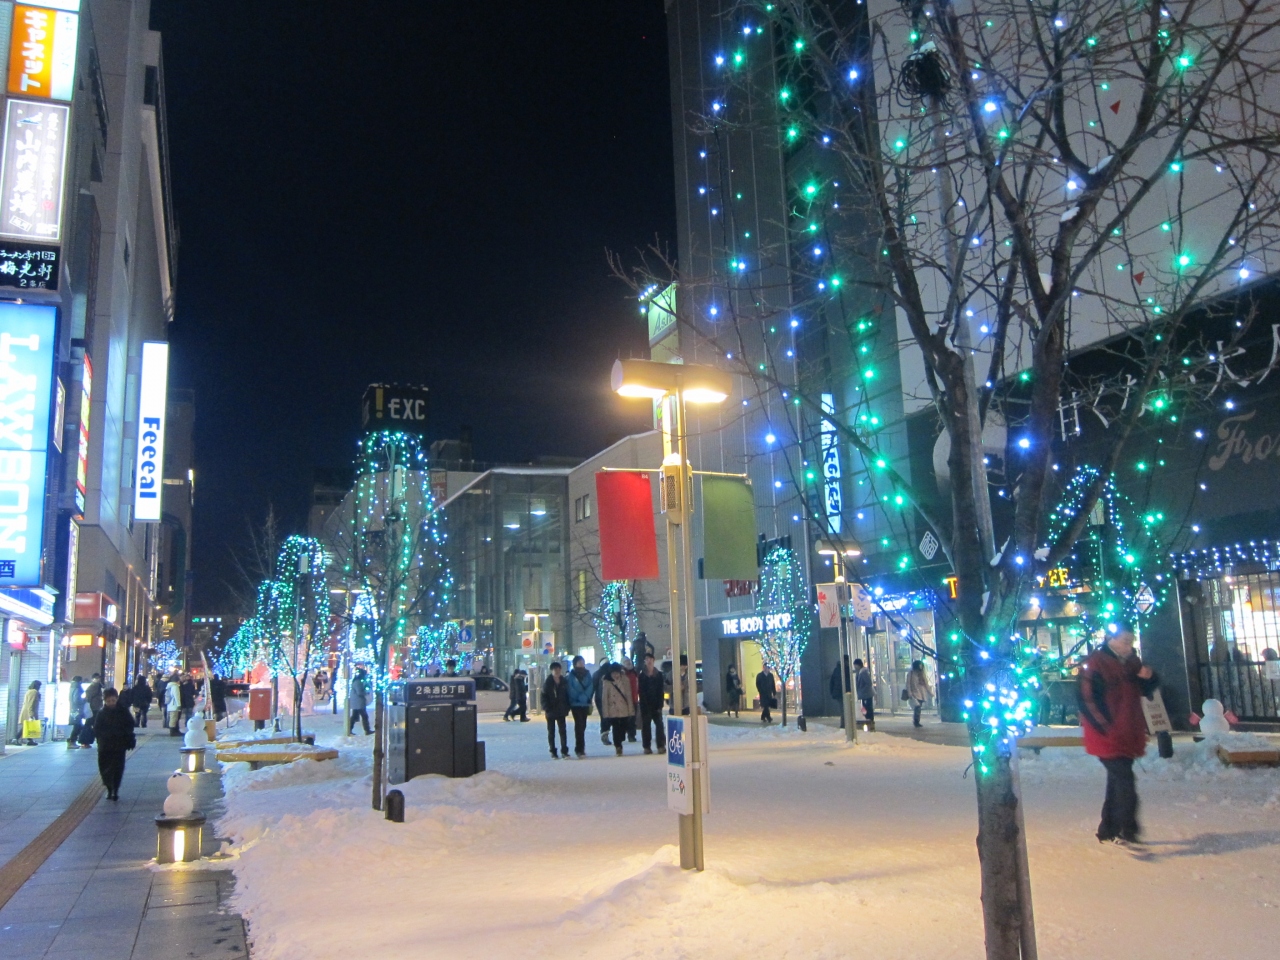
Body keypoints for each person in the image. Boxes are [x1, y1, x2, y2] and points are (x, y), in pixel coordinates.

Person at [1079, 624, 1159, 844]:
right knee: (1125, 781)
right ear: (1110, 639)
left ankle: (1108, 828)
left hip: (1127, 731)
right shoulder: (1095, 664)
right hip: (1107, 735)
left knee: (1117, 781)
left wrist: (1148, 677)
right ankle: (1129, 828)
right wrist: (1106, 728)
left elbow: (1146, 689)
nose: (1128, 646)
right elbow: (1087, 700)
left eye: (1131, 641)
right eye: (1125, 641)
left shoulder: (1132, 661)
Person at [93, 688, 136, 801]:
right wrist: (101, 736)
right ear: (105, 701)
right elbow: (97, 729)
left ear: (117, 699)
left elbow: (131, 724)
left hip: (119, 745)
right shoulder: (101, 713)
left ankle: (115, 789)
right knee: (105, 768)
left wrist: (124, 734)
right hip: (105, 746)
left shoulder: (123, 711)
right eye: (108, 701)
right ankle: (109, 788)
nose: (111, 703)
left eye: (113, 700)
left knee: (118, 768)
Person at [600, 664, 633, 756]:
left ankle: (620, 740)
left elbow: (628, 695)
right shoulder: (607, 682)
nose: (615, 675)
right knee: (616, 728)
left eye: (617, 673)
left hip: (623, 708)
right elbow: (604, 698)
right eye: (613, 673)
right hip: (612, 709)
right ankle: (618, 746)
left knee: (622, 728)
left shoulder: (625, 680)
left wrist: (631, 710)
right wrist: (605, 713)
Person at [637, 654, 666, 754]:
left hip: (656, 704)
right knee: (646, 726)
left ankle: (661, 745)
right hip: (645, 705)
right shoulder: (642, 676)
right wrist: (643, 704)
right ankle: (647, 746)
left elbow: (661, 690)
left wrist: (660, 704)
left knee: (659, 725)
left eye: (650, 659)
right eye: (646, 659)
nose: (648, 661)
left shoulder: (659, 675)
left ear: (653, 660)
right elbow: (641, 692)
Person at [541, 661, 570, 758]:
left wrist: (567, 707)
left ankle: (564, 751)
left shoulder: (564, 681)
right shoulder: (548, 682)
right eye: (555, 670)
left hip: (561, 710)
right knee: (551, 732)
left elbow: (567, 695)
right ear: (551, 671)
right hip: (551, 711)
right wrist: (547, 708)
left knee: (563, 731)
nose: (557, 671)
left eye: (558, 669)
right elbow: (543, 697)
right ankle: (553, 751)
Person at [567, 656, 594, 758]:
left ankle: (581, 748)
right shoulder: (571, 675)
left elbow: (591, 686)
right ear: (575, 664)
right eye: (580, 662)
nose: (582, 664)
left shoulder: (587, 674)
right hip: (575, 704)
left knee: (583, 725)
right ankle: (579, 748)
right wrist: (578, 697)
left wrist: (585, 696)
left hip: (585, 703)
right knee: (579, 725)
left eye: (583, 662)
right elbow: (570, 688)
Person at [906, 660, 931, 728]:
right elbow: (908, 684)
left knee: (918, 707)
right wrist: (909, 693)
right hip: (914, 693)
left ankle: (916, 720)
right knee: (917, 707)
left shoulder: (922, 674)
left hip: (921, 693)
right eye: (920, 665)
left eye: (921, 665)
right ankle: (916, 721)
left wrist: (930, 692)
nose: (921, 666)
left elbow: (926, 683)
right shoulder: (911, 673)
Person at [348, 667, 372, 735]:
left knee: (355, 716)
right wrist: (365, 692)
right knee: (364, 716)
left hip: (357, 702)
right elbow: (359, 692)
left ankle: (349, 729)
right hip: (358, 702)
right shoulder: (358, 682)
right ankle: (367, 730)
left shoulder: (357, 681)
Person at [593, 660, 612, 745]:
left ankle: (605, 733)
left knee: (605, 717)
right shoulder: (611, 672)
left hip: (600, 698)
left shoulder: (597, 674)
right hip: (606, 699)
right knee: (608, 717)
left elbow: (593, 687)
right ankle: (605, 733)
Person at [620, 657, 639, 742]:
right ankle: (622, 734)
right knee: (624, 718)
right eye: (626, 662)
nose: (628, 663)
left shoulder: (634, 672)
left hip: (634, 699)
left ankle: (631, 735)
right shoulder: (621, 673)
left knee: (632, 718)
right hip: (624, 699)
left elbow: (637, 685)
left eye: (628, 661)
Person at [18, 680, 41, 745]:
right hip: (29, 711)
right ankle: (15, 738)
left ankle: (30, 740)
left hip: (28, 710)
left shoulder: (29, 691)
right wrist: (31, 714)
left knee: (28, 726)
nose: (39, 687)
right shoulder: (34, 692)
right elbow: (31, 703)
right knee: (27, 726)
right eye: (39, 686)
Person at [67, 676, 87, 748]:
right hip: (77, 709)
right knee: (78, 726)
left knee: (77, 725)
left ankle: (72, 741)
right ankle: (71, 741)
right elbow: (76, 699)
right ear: (79, 681)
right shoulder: (77, 687)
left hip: (73, 709)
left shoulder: (72, 687)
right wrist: (83, 700)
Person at [165, 672, 183, 737]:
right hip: (174, 705)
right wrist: (179, 705)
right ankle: (172, 732)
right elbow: (177, 696)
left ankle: (173, 731)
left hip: (169, 705)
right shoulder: (175, 686)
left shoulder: (169, 686)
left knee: (172, 718)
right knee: (173, 719)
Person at [829, 663, 845, 728]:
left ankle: (843, 724)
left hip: (838, 693)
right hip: (843, 693)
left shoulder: (836, 670)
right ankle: (844, 724)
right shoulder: (845, 670)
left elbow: (831, 682)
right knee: (845, 709)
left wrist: (832, 692)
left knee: (842, 709)